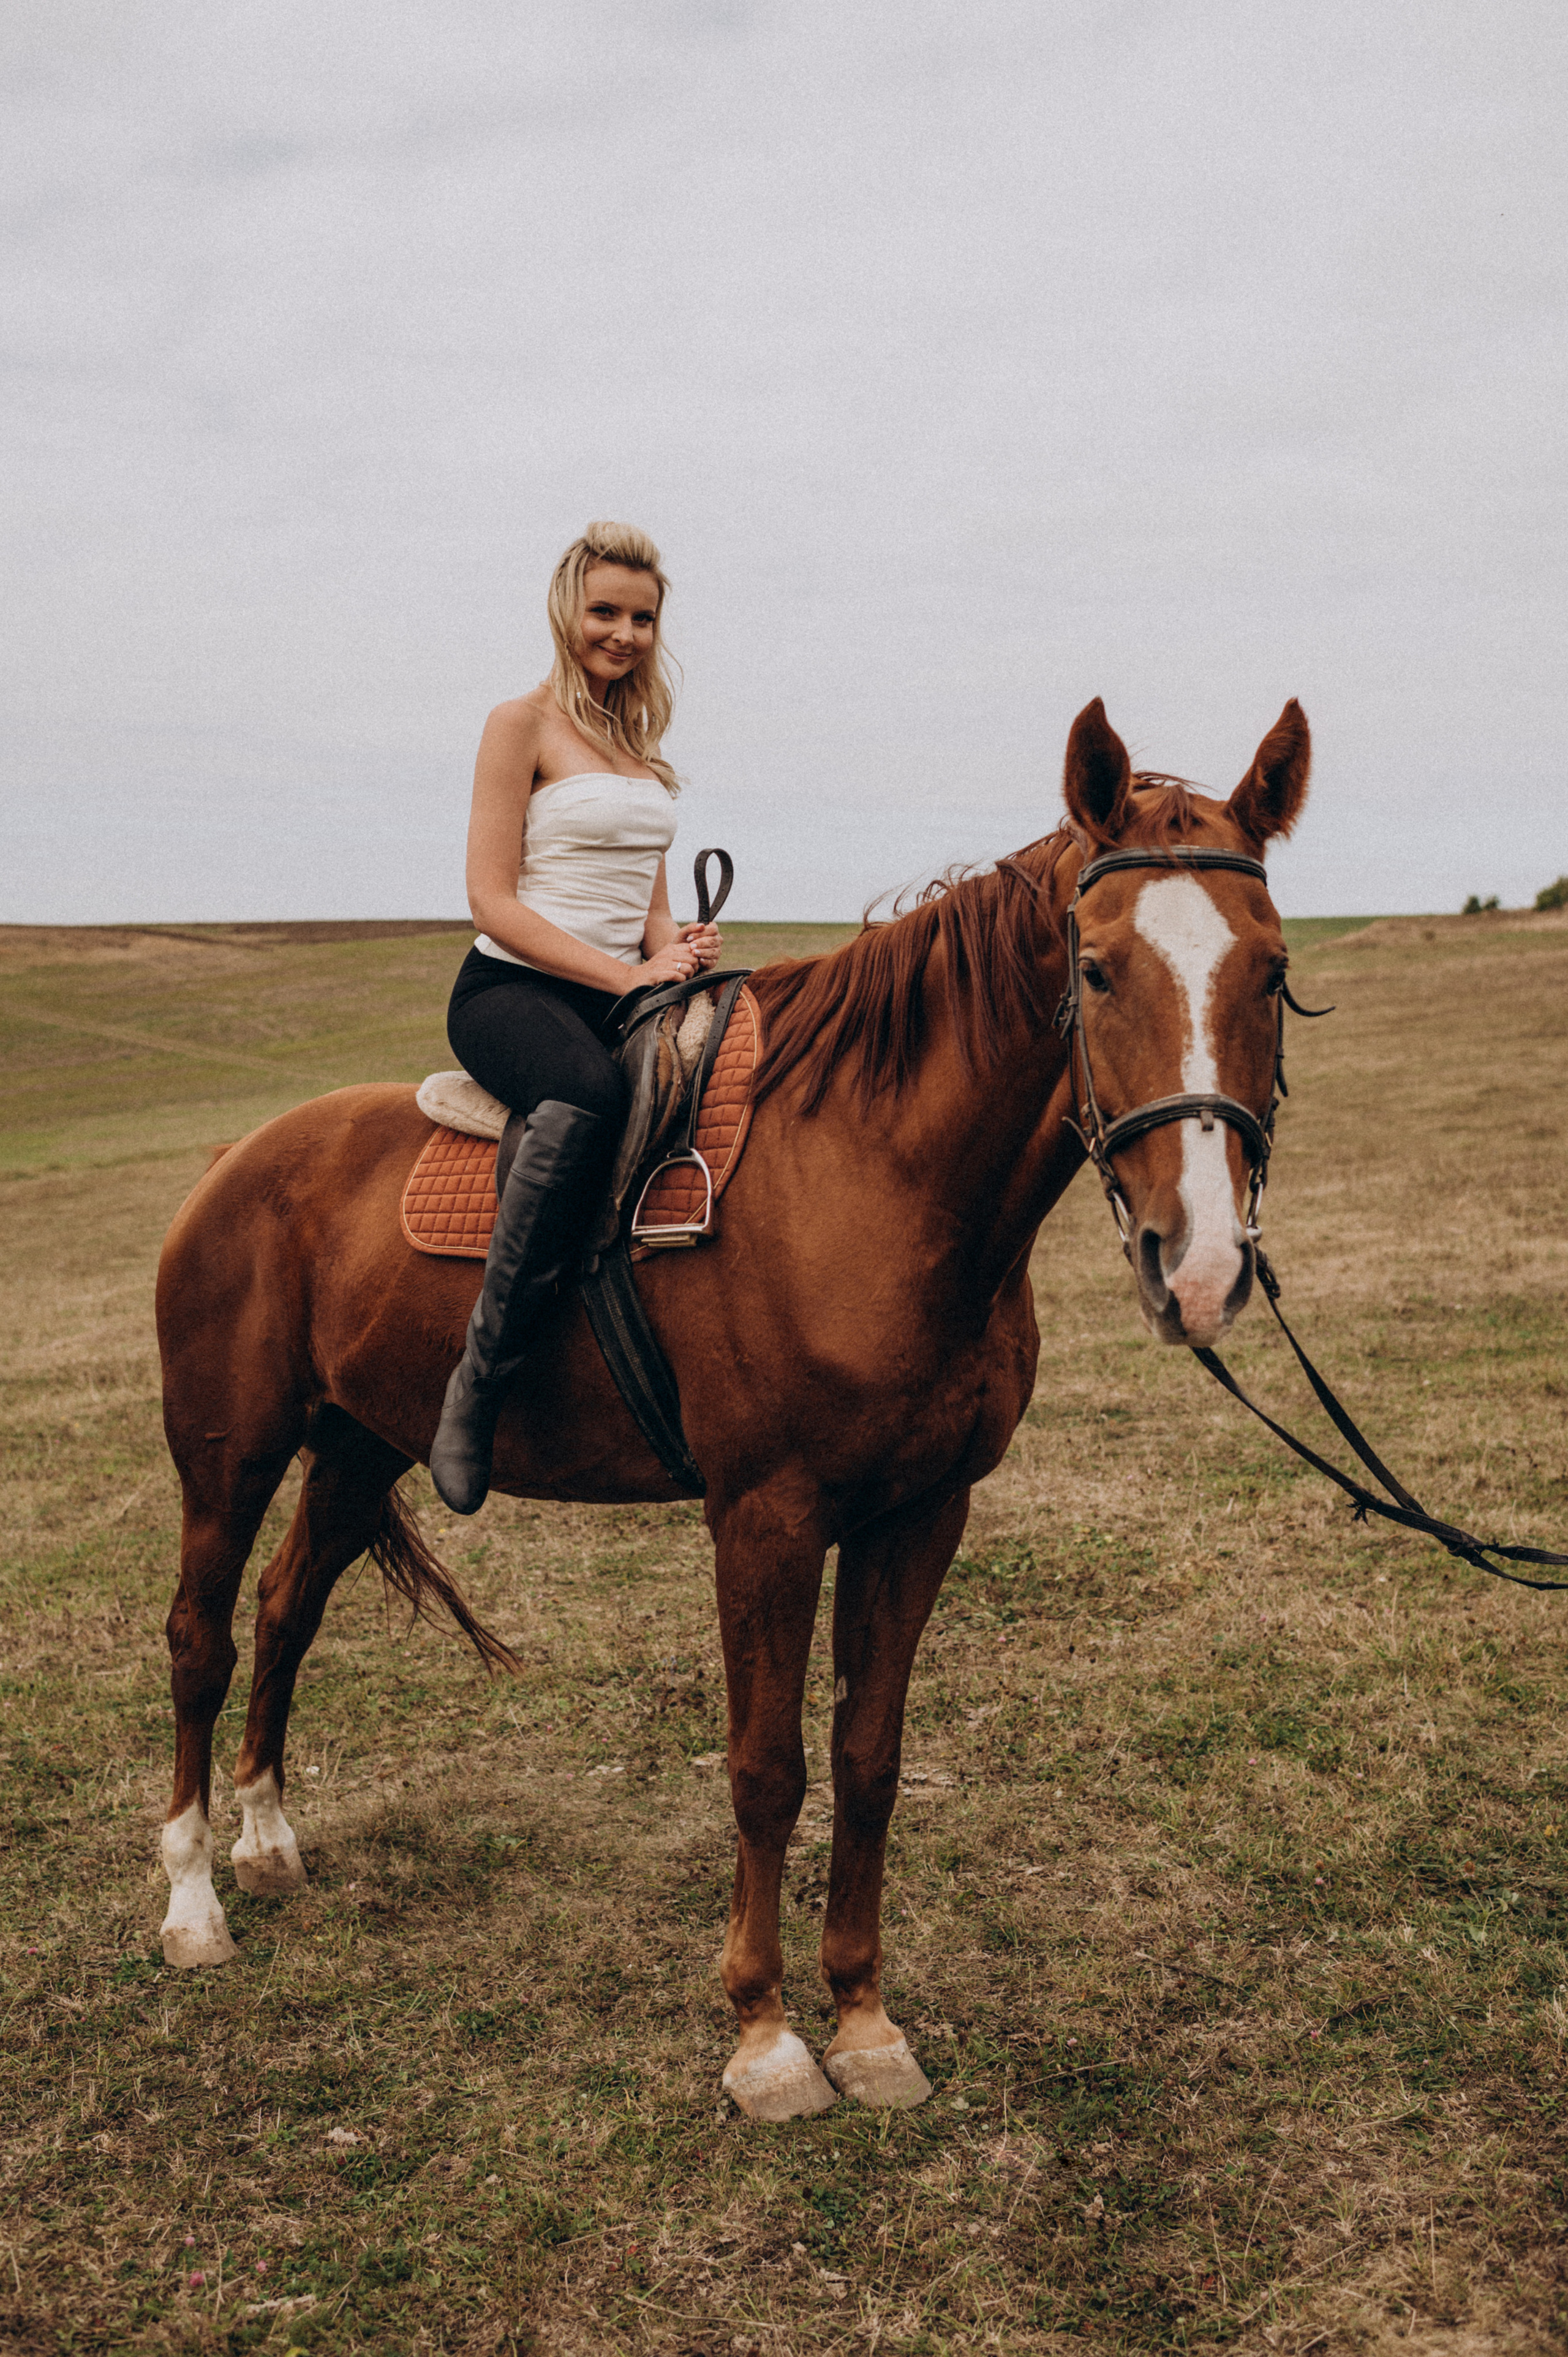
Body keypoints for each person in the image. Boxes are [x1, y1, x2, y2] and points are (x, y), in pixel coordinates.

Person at [429, 522, 722, 1515]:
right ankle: (481, 1382)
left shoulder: (635, 749)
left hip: (613, 986)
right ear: (568, 610)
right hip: (514, 990)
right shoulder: (520, 724)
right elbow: (492, 900)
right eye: (606, 611)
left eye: (643, 617)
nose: (626, 633)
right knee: (588, 1093)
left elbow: (646, 903)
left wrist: (673, 956)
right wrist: (625, 978)